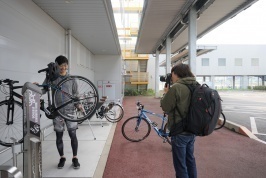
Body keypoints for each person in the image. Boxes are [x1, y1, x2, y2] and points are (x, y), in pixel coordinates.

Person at [37, 55, 80, 169]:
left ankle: (75, 158)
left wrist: (78, 105)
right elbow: (43, 90)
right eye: (60, 66)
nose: (63, 68)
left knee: (73, 135)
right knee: (59, 136)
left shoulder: (72, 79)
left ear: (67, 66)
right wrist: (35, 88)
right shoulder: (51, 78)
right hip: (57, 111)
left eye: (65, 65)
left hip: (70, 110)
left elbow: (76, 94)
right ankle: (62, 157)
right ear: (56, 66)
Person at [160, 63, 197, 178]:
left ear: (177, 74)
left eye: (172, 74)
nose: (172, 77)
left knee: (180, 164)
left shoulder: (177, 87)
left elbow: (165, 107)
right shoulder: (196, 85)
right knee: (190, 160)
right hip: (193, 129)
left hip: (179, 130)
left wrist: (165, 93)